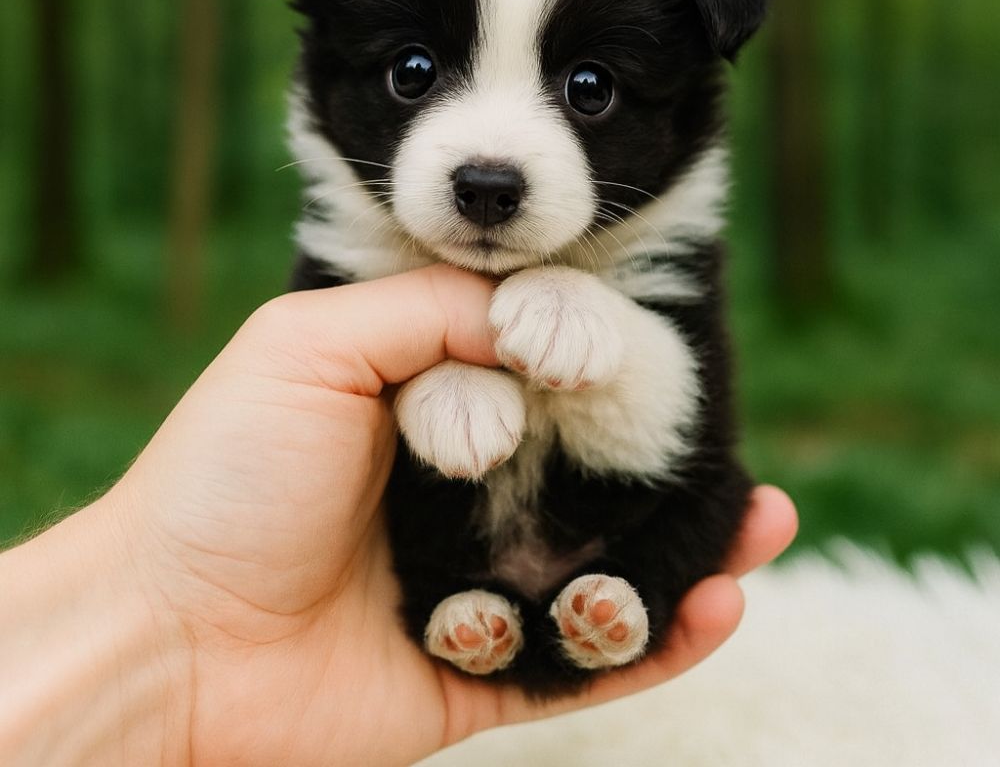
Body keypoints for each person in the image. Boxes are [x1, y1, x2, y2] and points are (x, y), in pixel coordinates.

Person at [0, 265, 797, 767]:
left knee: (708, 510)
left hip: (621, 539)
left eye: (586, 90)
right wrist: (173, 618)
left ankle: (612, 596)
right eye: (414, 71)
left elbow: (667, 451)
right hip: (416, 586)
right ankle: (466, 601)